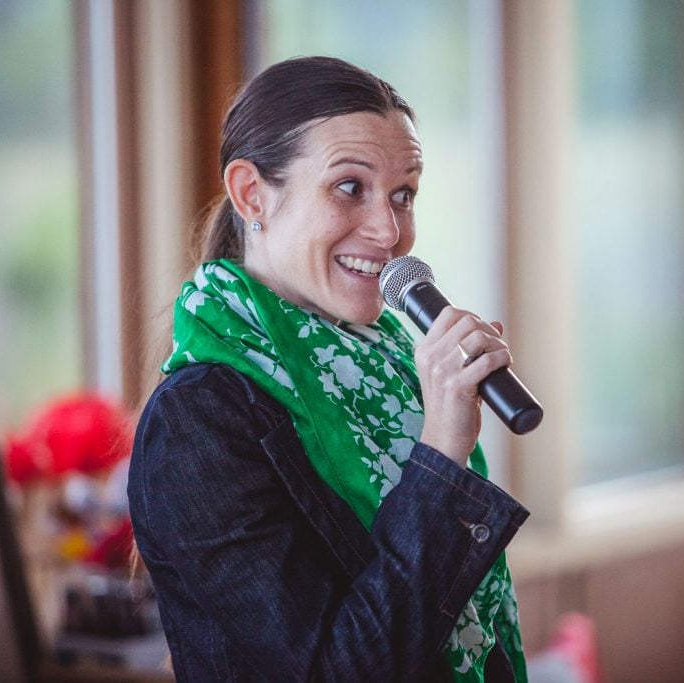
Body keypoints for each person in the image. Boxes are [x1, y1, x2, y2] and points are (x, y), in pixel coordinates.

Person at [127, 56, 530, 682]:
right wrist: (443, 453)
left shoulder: (388, 367)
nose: (390, 230)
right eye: (350, 187)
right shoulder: (197, 419)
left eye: (403, 194)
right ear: (251, 194)